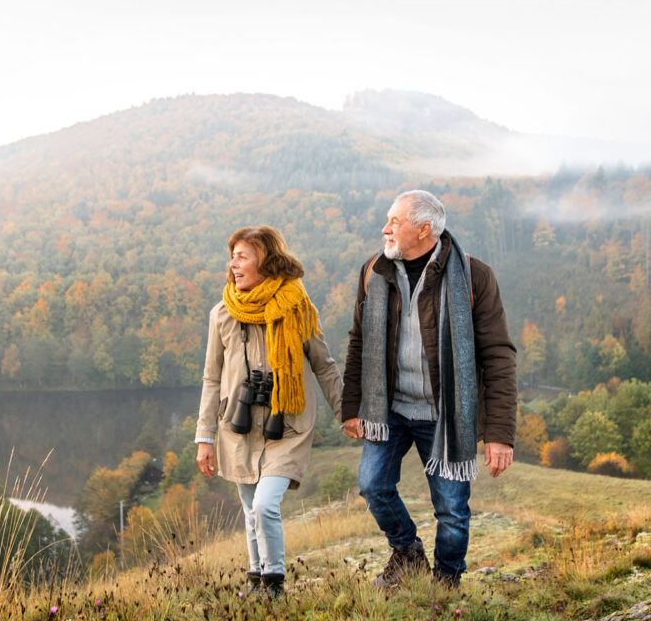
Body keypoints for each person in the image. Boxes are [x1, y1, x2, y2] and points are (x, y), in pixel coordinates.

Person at [342, 190, 517, 589]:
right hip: (390, 407)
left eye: (395, 222)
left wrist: (499, 434)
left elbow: (499, 357)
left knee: (452, 510)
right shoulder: (374, 270)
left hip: (446, 414)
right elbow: (358, 341)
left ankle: (446, 585)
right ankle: (407, 553)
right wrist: (352, 406)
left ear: (424, 230)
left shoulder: (474, 277)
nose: (385, 229)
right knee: (373, 485)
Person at [196, 225, 343, 598]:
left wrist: (347, 413)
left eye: (242, 256)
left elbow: (324, 365)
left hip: (287, 424)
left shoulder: (297, 309)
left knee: (264, 505)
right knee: (249, 509)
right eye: (232, 256)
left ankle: (274, 583)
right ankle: (256, 578)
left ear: (266, 261)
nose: (233, 265)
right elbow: (211, 378)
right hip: (238, 426)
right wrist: (204, 436)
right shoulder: (222, 314)